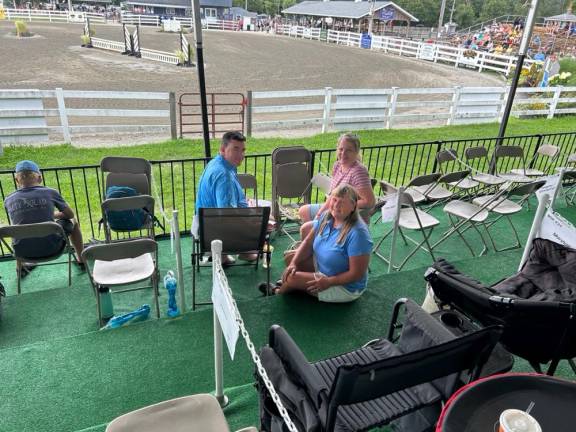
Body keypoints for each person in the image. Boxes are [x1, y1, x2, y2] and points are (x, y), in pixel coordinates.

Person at [269, 185, 372, 303]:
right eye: (334, 199)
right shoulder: (327, 216)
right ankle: (294, 285)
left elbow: (356, 274)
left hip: (344, 286)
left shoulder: (359, 234)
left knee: (292, 278)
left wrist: (329, 282)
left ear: (353, 206)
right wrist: (293, 263)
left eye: (342, 202)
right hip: (324, 267)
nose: (336, 205)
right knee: (290, 258)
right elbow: (308, 242)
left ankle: (277, 291)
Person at [4, 160, 85, 274]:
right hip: (53, 248)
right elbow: (70, 215)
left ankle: (20, 267)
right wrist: (53, 214)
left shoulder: (8, 199)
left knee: (17, 226)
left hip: (23, 252)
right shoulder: (50, 192)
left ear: (17, 180)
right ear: (40, 178)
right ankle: (82, 260)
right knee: (74, 220)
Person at [195, 131, 256, 262]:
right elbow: (229, 216)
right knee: (264, 218)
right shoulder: (224, 176)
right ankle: (246, 252)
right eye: (236, 149)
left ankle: (222, 256)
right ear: (223, 149)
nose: (241, 155)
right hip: (213, 232)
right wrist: (250, 213)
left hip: (202, 224)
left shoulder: (215, 163)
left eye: (243, 150)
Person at [298, 133, 375, 225]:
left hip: (348, 214)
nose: (343, 153)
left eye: (349, 150)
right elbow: (333, 195)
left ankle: (320, 236)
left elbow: (369, 202)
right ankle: (316, 236)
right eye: (341, 149)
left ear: (356, 152)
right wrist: (319, 213)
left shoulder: (358, 171)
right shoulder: (337, 165)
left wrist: (344, 205)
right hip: (334, 207)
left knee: (312, 226)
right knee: (303, 211)